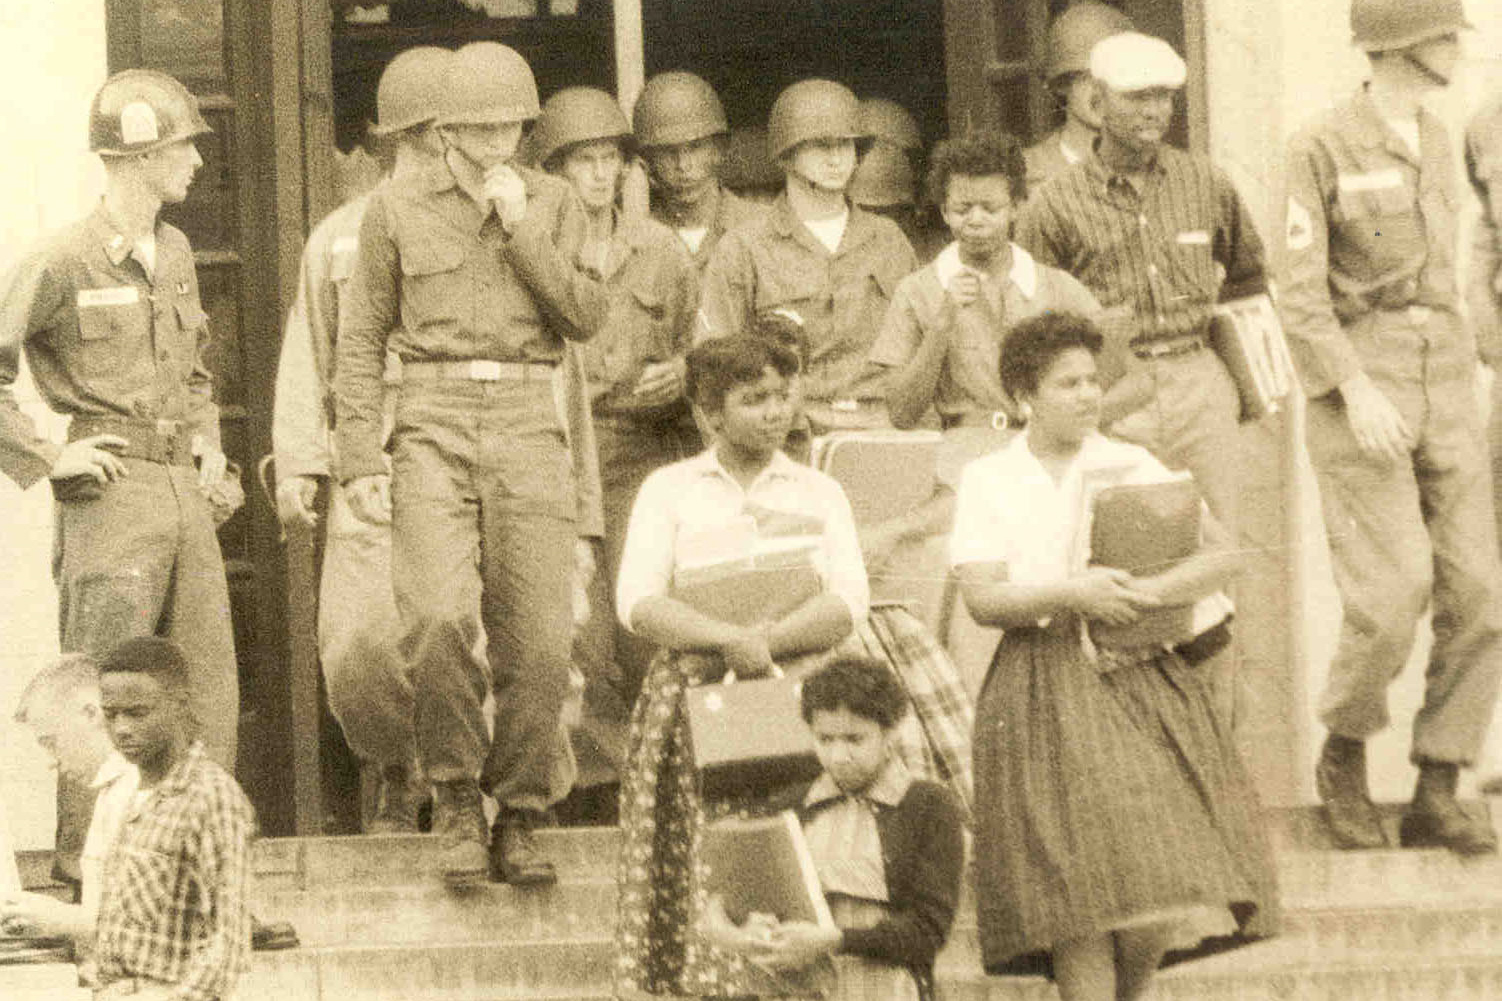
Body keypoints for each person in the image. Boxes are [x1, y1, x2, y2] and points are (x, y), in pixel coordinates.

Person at [334, 41, 608, 888]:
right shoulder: (393, 207)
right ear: (445, 131)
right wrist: (356, 456)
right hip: (431, 414)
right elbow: (359, 338)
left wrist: (522, 222)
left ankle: (522, 810)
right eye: (480, 130)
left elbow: (585, 314)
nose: (497, 144)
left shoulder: (556, 201)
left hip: (531, 416)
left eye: (510, 129)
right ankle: (454, 797)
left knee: (538, 635)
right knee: (438, 616)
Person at [950, 311, 1278, 1000]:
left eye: (1094, 380)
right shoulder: (989, 478)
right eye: (1067, 383)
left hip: (1140, 672)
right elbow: (983, 597)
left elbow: (1222, 554)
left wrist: (1145, 590)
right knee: (1075, 893)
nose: (1088, 394)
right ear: (1023, 397)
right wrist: (1074, 592)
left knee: (1161, 873)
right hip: (1041, 682)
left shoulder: (1133, 460)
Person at [0, 68, 240, 894]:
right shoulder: (62, 259)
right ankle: (87, 880)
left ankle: (197, 882)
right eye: (183, 149)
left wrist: (208, 445)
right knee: (105, 690)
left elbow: (198, 369)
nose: (196, 165)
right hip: (108, 500)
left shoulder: (173, 253)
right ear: (138, 157)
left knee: (200, 686)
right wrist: (41, 455)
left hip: (181, 492)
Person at [1280, 0, 1502, 854]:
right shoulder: (1320, 146)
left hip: (1443, 378)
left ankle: (1438, 782)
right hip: (1361, 383)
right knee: (1393, 591)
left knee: (1481, 590)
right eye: (1447, 35)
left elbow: (1449, 273)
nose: (1457, 49)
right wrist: (1352, 388)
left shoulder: (1441, 139)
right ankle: (1343, 750)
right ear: (1405, 46)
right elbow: (1300, 296)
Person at [611, 336, 869, 998]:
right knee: (708, 864)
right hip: (701, 700)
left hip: (805, 695)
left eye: (784, 395)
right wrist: (728, 640)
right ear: (707, 414)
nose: (773, 411)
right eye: (753, 399)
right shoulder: (670, 489)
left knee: (811, 863)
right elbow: (638, 599)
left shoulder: (820, 490)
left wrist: (769, 642)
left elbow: (848, 599)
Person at [272, 44, 452, 834]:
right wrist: (299, 466)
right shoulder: (340, 239)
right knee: (356, 643)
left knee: (459, 633)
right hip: (368, 459)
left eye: (448, 136)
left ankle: (454, 784)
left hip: (460, 449)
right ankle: (390, 762)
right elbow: (309, 351)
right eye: (417, 139)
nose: (434, 154)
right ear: (387, 143)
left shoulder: (492, 233)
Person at [1014, 32, 1268, 533]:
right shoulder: (1056, 201)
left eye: (1164, 96)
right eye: (1138, 97)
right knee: (1124, 542)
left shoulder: (1206, 182)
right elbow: (1032, 311)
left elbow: (1248, 278)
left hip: (1201, 382)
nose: (1155, 110)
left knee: (1223, 540)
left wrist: (1248, 390)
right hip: (1110, 389)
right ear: (1097, 101)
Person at [530, 85, 700, 795]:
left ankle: (656, 786)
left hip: (641, 451)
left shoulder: (659, 250)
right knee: (576, 632)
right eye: (582, 161)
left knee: (643, 624)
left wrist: (685, 375)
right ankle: (591, 792)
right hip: (564, 450)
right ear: (554, 171)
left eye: (611, 160)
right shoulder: (533, 249)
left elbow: (705, 342)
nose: (600, 175)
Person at [701, 657, 966, 1001]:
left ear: (891, 733)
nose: (839, 756)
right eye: (825, 739)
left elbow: (928, 932)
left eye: (855, 739)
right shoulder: (791, 806)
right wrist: (741, 935)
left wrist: (834, 940)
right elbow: (723, 905)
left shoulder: (927, 805)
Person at [3, 654, 296, 965]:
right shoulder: (116, 790)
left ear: (90, 713)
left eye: (51, 741)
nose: (51, 760)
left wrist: (58, 919)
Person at [698, 78, 919, 438]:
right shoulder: (744, 248)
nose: (836, 159)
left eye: (846, 145)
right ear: (786, 154)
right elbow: (712, 368)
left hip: (884, 429)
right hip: (788, 435)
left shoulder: (889, 241)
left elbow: (921, 352)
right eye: (820, 146)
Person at [36, 639, 251, 1001]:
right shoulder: (128, 794)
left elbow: (230, 945)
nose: (120, 729)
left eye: (137, 713)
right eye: (112, 714)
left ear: (178, 707)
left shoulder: (209, 796)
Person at [633, 71, 766, 271]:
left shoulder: (765, 228)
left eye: (695, 147)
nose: (683, 165)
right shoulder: (635, 245)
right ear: (647, 163)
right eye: (668, 152)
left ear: (719, 149)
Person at [1023, 0, 1135, 194]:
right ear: (1063, 84)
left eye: (1116, 77)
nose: (1105, 92)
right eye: (1088, 77)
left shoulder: (1151, 171)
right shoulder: (1026, 174)